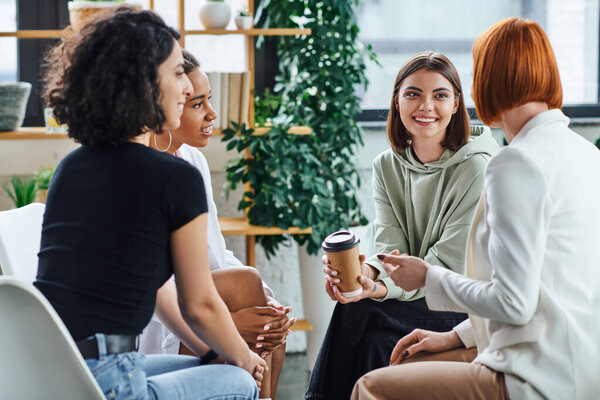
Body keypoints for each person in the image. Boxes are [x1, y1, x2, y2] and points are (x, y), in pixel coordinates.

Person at [353, 17, 600, 400]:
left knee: (370, 388)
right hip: (583, 366)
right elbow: (545, 287)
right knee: (407, 362)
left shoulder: (515, 163)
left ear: (486, 81)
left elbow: (513, 303)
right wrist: (454, 336)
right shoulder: (586, 154)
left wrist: (427, 277)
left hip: (538, 375)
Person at [35, 8, 265, 399]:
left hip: (52, 370)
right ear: (144, 84)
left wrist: (218, 352)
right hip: (110, 379)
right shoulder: (174, 177)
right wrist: (243, 358)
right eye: (177, 73)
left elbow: (159, 290)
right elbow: (200, 305)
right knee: (241, 382)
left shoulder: (72, 168)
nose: (187, 89)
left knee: (211, 365)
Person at [305, 51, 499, 400]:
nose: (426, 106)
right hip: (416, 295)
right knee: (374, 343)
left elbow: (447, 267)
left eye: (440, 95)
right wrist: (368, 277)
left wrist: (376, 291)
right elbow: (392, 250)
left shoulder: (477, 169)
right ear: (397, 101)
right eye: (413, 94)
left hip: (463, 303)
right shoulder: (386, 166)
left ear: (456, 104)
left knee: (360, 309)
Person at [141, 49, 294, 400]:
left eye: (208, 100)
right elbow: (155, 289)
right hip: (161, 321)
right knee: (249, 292)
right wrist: (223, 327)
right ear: (162, 106)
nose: (212, 114)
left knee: (268, 322)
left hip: (198, 299)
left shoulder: (192, 160)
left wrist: (260, 305)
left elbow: (215, 253)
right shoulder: (142, 171)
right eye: (196, 104)